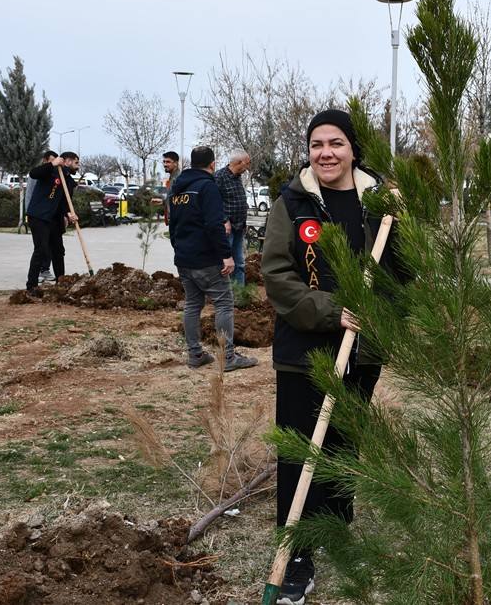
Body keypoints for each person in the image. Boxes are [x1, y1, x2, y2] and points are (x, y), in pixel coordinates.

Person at [261, 109, 404, 605]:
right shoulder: (293, 202)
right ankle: (297, 555)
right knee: (300, 449)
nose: (326, 152)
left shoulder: (377, 204)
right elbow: (278, 273)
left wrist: (402, 224)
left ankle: (339, 533)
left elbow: (402, 272)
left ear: (352, 150)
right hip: (305, 348)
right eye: (317, 143)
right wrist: (330, 311)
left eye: (336, 143)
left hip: (362, 351)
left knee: (344, 446)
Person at [168, 145, 258, 371]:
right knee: (224, 304)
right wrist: (226, 256)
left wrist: (179, 250)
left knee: (192, 305)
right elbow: (214, 225)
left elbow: (174, 225)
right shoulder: (207, 187)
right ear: (212, 164)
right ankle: (228, 358)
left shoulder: (178, 189)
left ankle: (195, 354)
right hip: (206, 259)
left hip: (184, 259)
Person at [25, 151, 79, 296]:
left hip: (54, 219)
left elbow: (63, 201)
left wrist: (68, 213)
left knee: (58, 251)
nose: (77, 166)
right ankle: (32, 286)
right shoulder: (50, 171)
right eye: (76, 163)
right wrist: (52, 163)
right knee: (41, 250)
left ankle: (61, 282)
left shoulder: (67, 180)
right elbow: (33, 173)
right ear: (67, 161)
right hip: (39, 217)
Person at [215, 149, 250, 287]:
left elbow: (239, 201)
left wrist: (244, 222)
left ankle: (239, 293)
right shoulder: (219, 177)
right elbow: (214, 202)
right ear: (239, 162)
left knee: (239, 262)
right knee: (224, 262)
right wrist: (225, 220)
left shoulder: (237, 177)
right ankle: (222, 293)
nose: (247, 167)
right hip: (227, 229)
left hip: (239, 226)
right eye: (247, 164)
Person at [25, 150, 57, 284]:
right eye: (51, 161)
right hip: (35, 214)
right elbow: (29, 194)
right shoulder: (37, 174)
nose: (53, 163)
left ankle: (45, 269)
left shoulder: (53, 174)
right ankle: (37, 272)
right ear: (45, 160)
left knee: (48, 245)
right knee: (40, 246)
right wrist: (28, 212)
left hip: (47, 216)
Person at [161, 150, 180, 225]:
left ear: (175, 163)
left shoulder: (178, 179)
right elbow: (172, 198)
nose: (165, 164)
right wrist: (163, 201)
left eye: (168, 162)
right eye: (164, 162)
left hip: (176, 221)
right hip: (173, 220)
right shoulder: (172, 178)